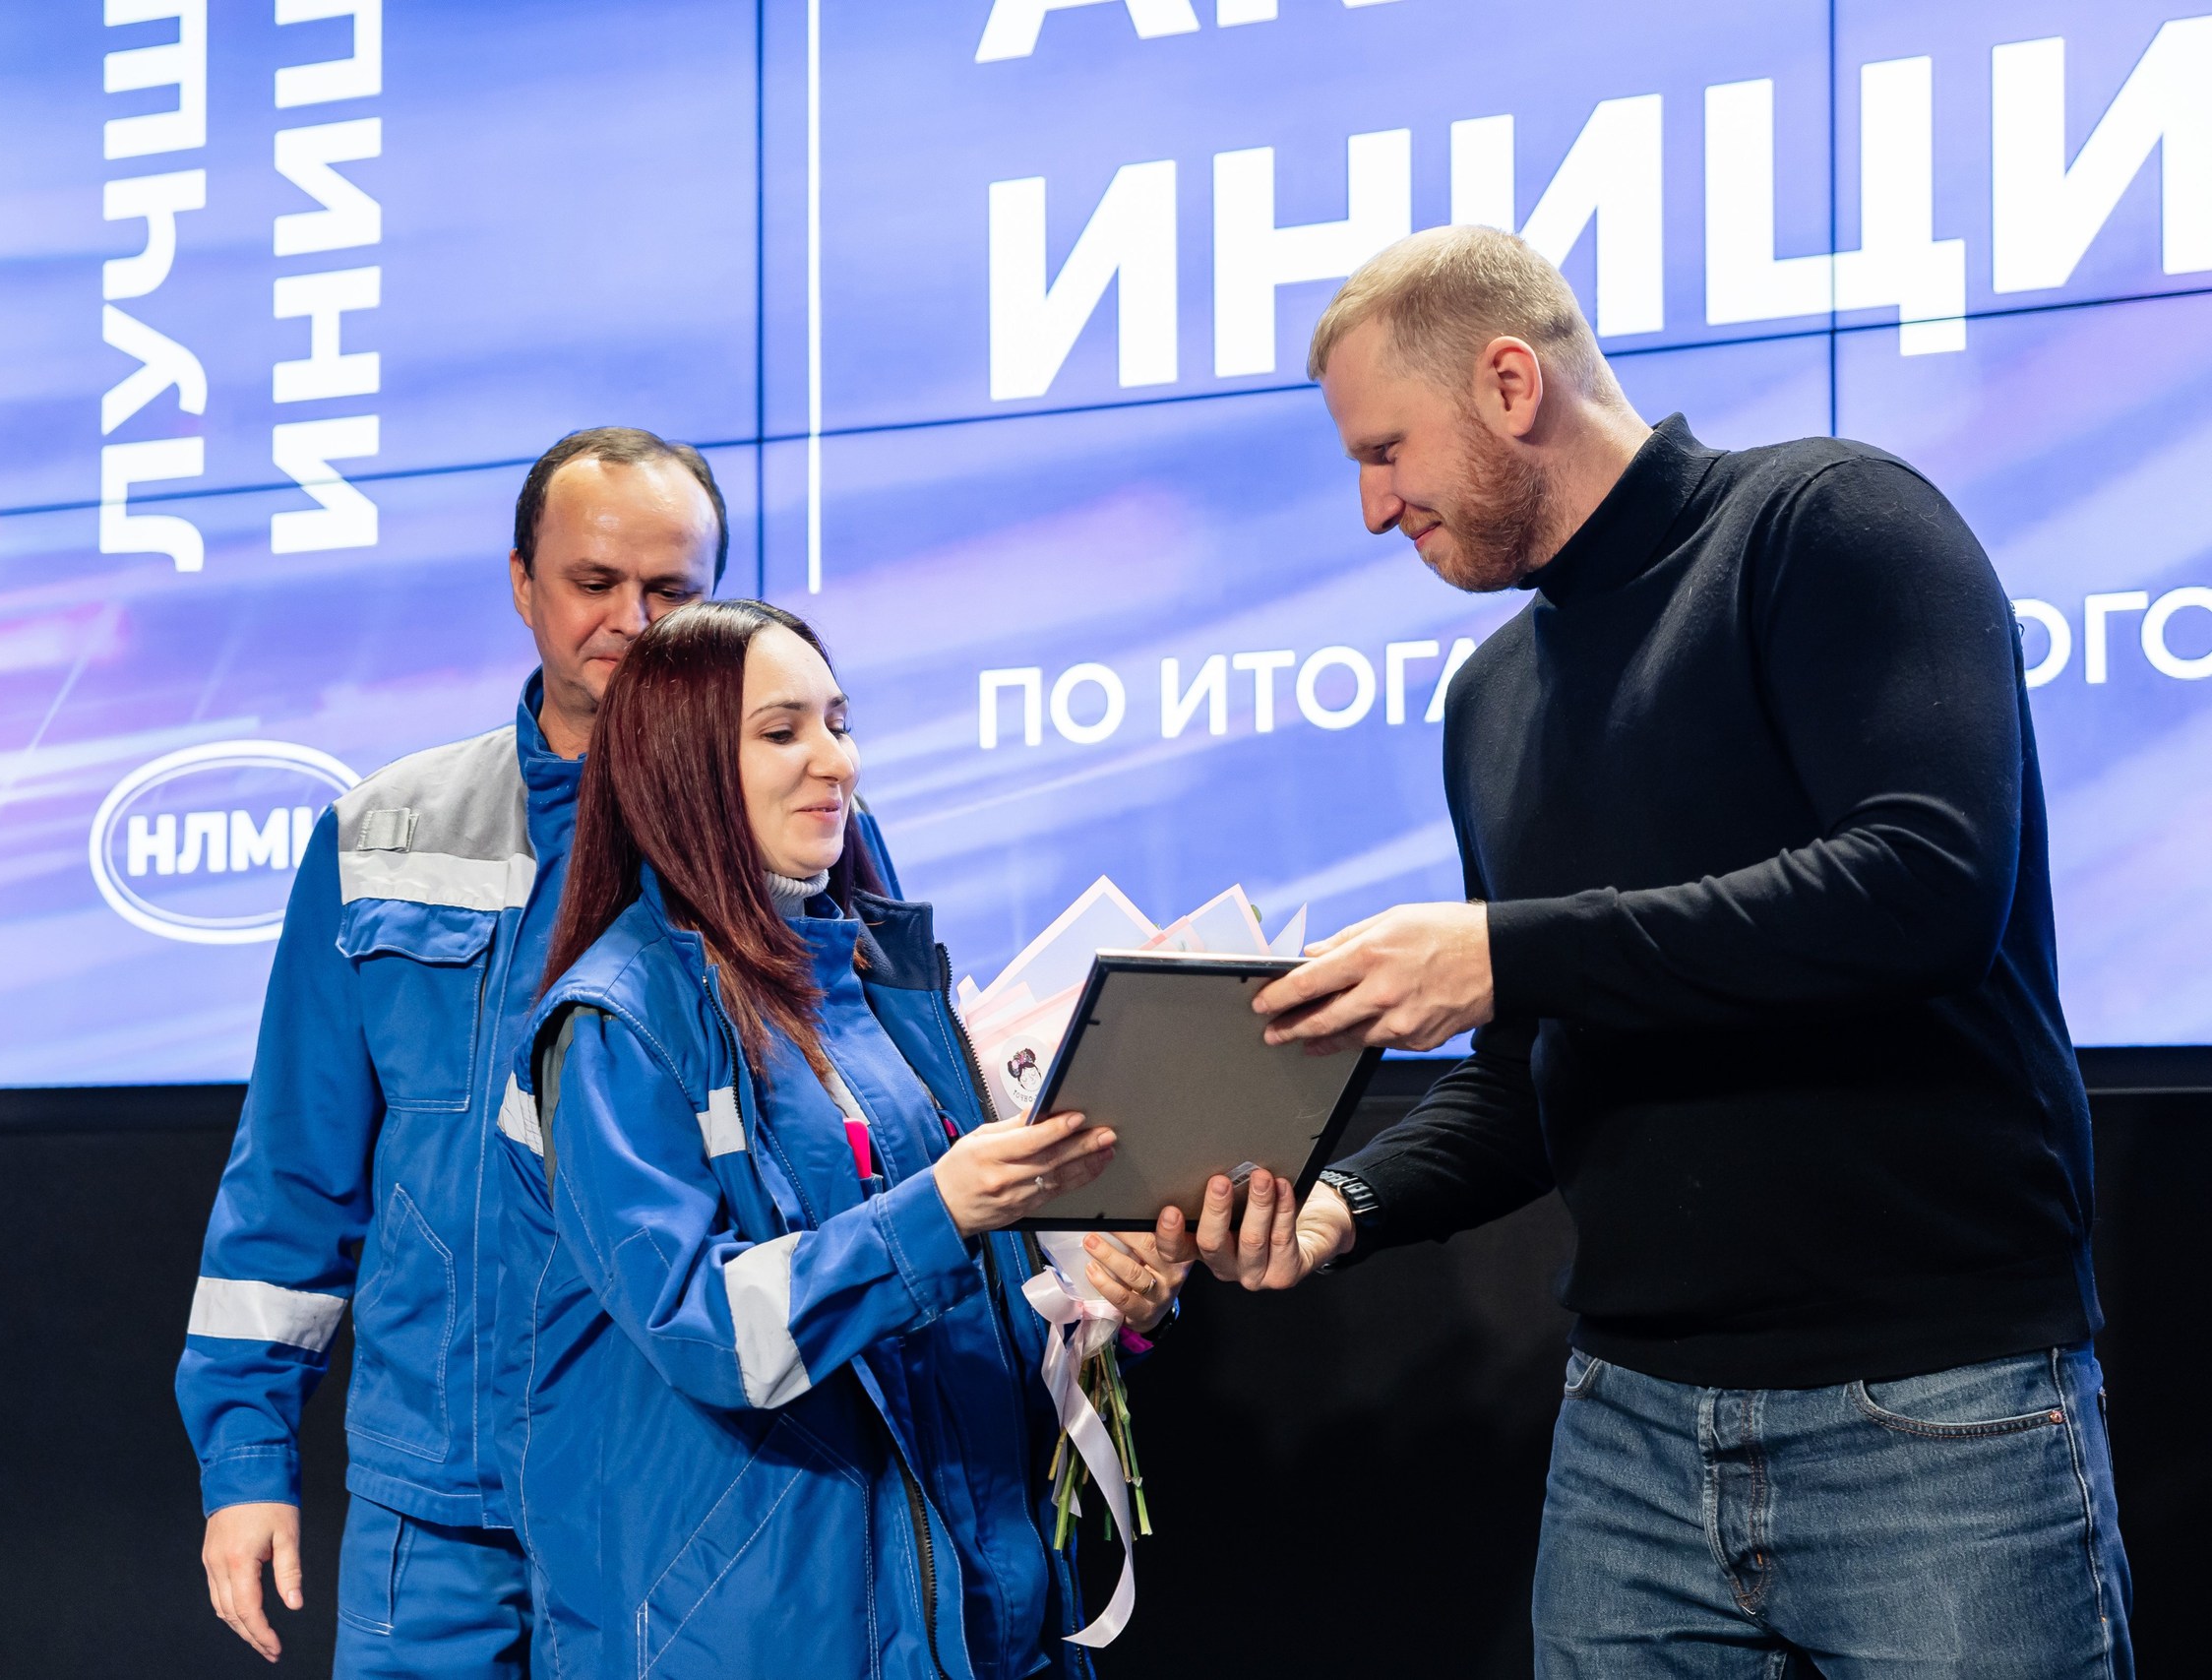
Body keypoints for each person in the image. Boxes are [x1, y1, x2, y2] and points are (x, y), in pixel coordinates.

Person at [1195, 226, 2133, 1676]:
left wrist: (1510, 951)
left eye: (1386, 451)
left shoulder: (1829, 524)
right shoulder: (1491, 699)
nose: (1374, 509)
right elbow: (1530, 1079)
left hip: (1934, 1406)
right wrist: (1345, 1206)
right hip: (1628, 1433)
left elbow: (1925, 885)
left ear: (1511, 383)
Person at [176, 427, 901, 1675]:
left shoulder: (797, 814)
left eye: (670, 589)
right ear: (522, 583)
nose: (631, 621)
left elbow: (880, 1116)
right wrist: (246, 1454)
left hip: (684, 1498)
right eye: (593, 582)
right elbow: (294, 1171)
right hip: (439, 1499)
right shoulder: (385, 836)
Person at [490, 599, 1194, 1678]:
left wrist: (1104, 1297)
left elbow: (975, 1294)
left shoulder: (882, 988)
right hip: (760, 1639)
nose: (836, 761)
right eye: (783, 732)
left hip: (985, 1616)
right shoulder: (615, 1022)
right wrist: (943, 1210)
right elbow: (704, 1325)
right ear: (680, 766)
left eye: (839, 721)